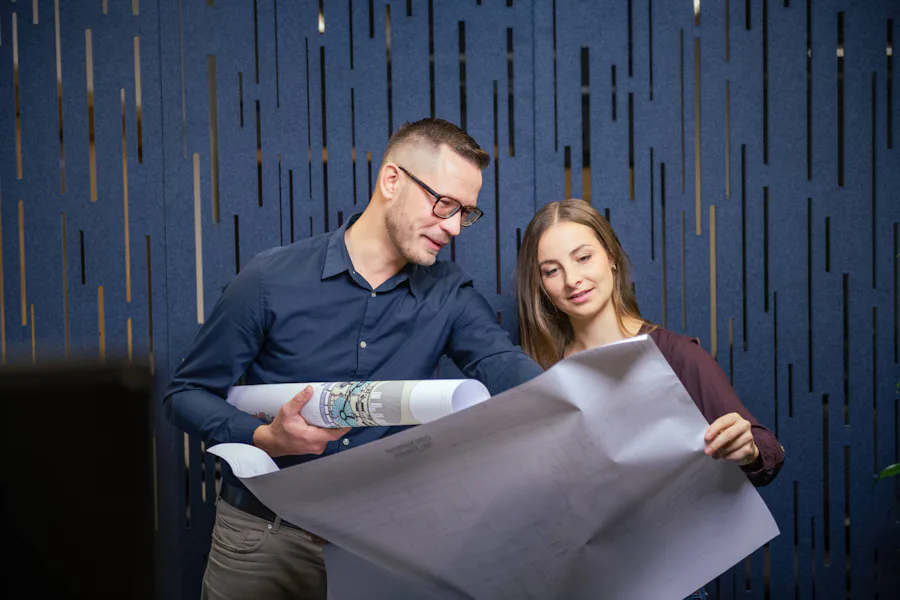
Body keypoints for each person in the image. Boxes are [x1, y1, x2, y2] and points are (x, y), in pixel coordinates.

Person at [164, 117, 544, 600]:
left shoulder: (449, 293)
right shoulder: (268, 279)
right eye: (444, 203)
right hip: (262, 540)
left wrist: (580, 396)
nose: (452, 227)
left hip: (380, 548)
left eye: (465, 212)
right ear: (391, 180)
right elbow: (185, 395)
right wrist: (263, 436)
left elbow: (501, 362)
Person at [515, 199, 785, 600]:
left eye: (583, 257)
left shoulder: (675, 354)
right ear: (540, 286)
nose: (572, 279)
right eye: (552, 271)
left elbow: (768, 454)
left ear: (611, 257)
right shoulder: (540, 373)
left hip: (670, 581)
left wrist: (746, 449)